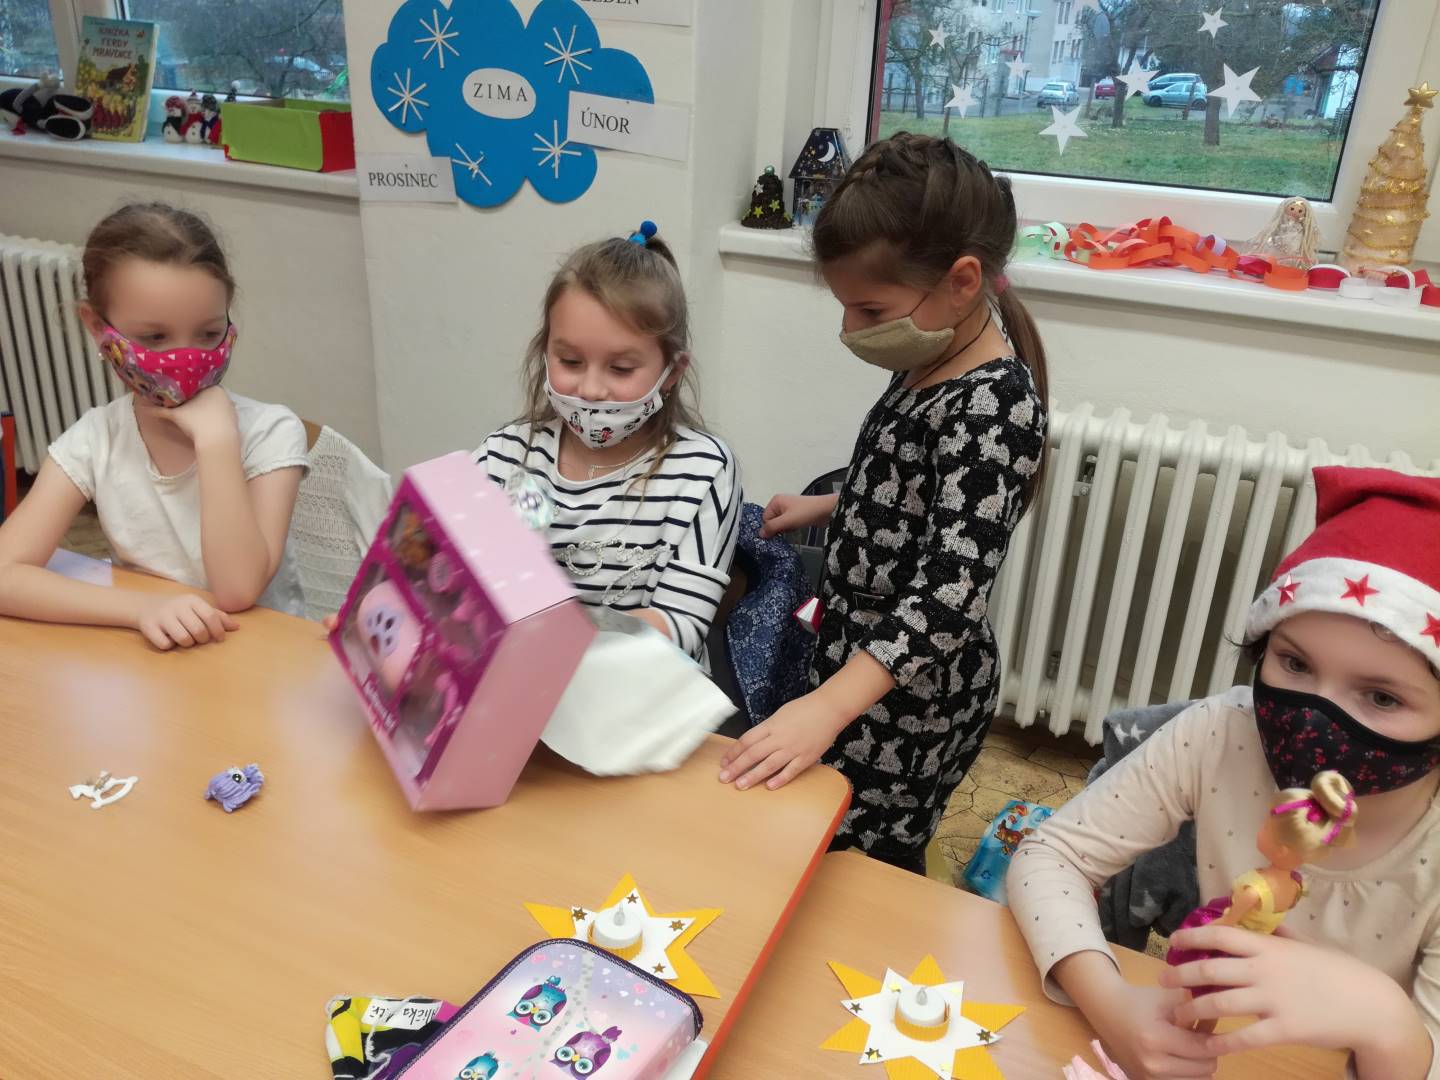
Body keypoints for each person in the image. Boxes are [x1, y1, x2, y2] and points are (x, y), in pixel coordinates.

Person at [1011, 466, 1440, 1080]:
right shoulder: (1222, 733)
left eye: (1382, 697)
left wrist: (1389, 1025)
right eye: (1295, 663)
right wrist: (1112, 1005)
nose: (1314, 718)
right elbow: (1052, 855)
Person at [719, 132, 1049, 874]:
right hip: (857, 665)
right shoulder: (931, 355)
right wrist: (826, 507)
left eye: (870, 309)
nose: (851, 332)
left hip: (913, 700)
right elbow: (912, 494)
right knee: (826, 831)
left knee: (870, 865)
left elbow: (948, 594)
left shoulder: (995, 408)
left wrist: (828, 706)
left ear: (962, 282)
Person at [0, 203, 308, 648]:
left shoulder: (271, 431)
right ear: (97, 327)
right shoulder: (96, 438)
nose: (186, 359)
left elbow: (237, 590)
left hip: (261, 655)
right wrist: (141, 609)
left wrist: (217, 441)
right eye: (154, 338)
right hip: (156, 654)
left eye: (208, 334)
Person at [473, 222, 740, 662]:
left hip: (640, 691)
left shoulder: (699, 472)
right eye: (570, 361)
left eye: (621, 369)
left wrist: (560, 641)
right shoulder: (509, 458)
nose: (592, 389)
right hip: (518, 686)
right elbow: (457, 583)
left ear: (671, 372)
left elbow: (682, 624)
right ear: (545, 352)